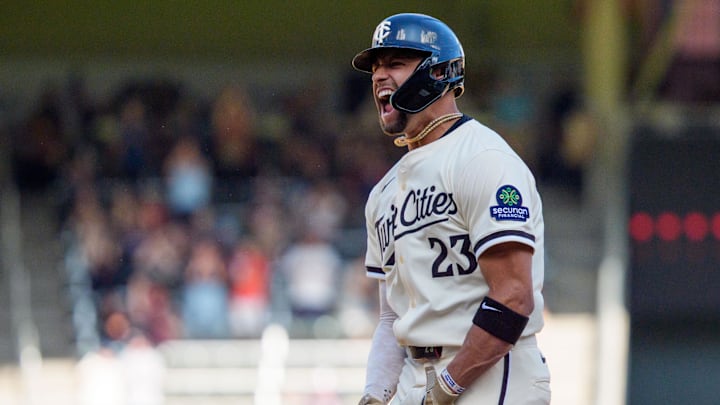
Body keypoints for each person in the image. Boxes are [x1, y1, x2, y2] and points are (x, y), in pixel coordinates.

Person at [352, 13, 551, 404]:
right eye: (375, 67)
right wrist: (375, 393)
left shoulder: (483, 158)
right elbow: (393, 316)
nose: (378, 76)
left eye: (395, 63)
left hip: (491, 370)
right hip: (417, 374)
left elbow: (513, 294)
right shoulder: (383, 193)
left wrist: (447, 387)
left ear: (439, 72)